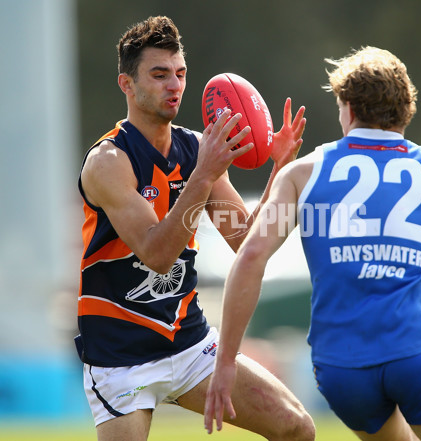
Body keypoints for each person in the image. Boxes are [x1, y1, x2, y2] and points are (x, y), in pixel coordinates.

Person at [204, 46, 421, 441]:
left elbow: (251, 256)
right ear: (406, 110)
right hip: (413, 355)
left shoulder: (302, 173)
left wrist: (226, 362)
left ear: (348, 109)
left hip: (340, 370)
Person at [76, 15, 315, 441]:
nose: (174, 85)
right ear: (126, 84)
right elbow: (157, 254)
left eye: (180, 73)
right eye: (159, 74)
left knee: (297, 428)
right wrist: (202, 176)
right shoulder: (108, 163)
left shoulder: (197, 150)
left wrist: (281, 169)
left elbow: (248, 241)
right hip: (120, 354)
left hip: (189, 342)